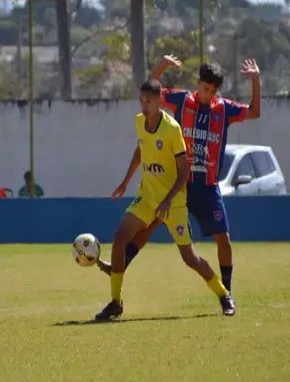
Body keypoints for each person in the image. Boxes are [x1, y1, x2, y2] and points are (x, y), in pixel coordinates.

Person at [97, 56, 261, 314]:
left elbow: (254, 112)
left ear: (216, 90)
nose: (208, 93)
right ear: (198, 84)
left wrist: (255, 79)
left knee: (219, 240)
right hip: (172, 184)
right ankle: (119, 276)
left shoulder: (223, 109)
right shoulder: (181, 101)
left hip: (200, 186)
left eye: (212, 89)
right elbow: (152, 90)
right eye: (204, 87)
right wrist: (161, 65)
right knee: (142, 230)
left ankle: (226, 292)